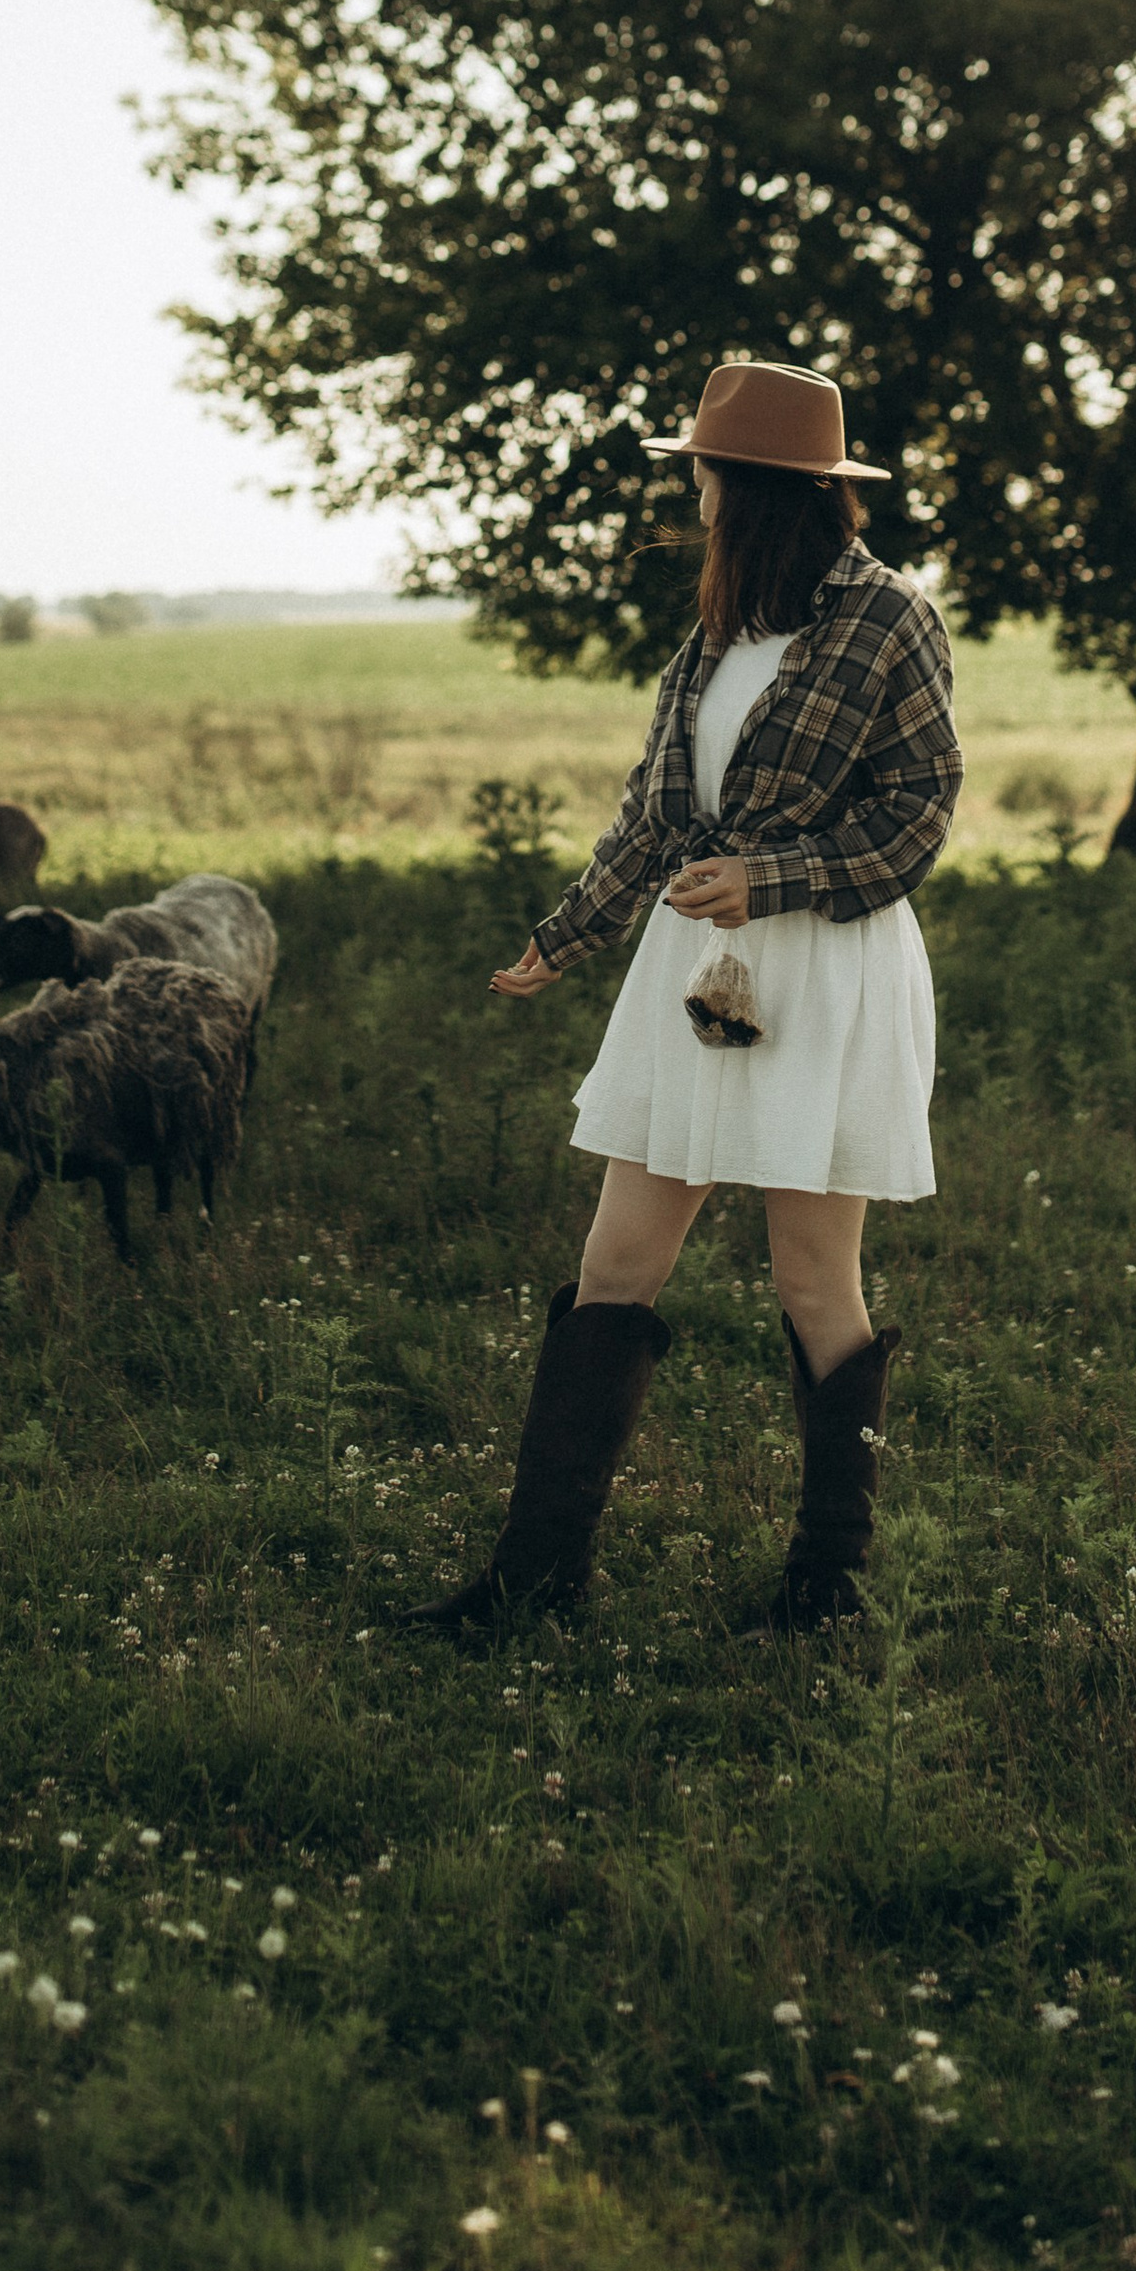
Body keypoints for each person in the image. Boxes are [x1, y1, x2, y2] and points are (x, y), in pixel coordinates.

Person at [420, 359, 962, 1638]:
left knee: (812, 1277)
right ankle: (534, 1580)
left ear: (753, 484)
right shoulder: (712, 637)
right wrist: (564, 939)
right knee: (615, 1258)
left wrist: (771, 876)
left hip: (823, 966)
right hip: (689, 972)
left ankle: (827, 1585)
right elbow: (654, 817)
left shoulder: (891, 618)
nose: (696, 491)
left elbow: (919, 812)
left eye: (706, 470)